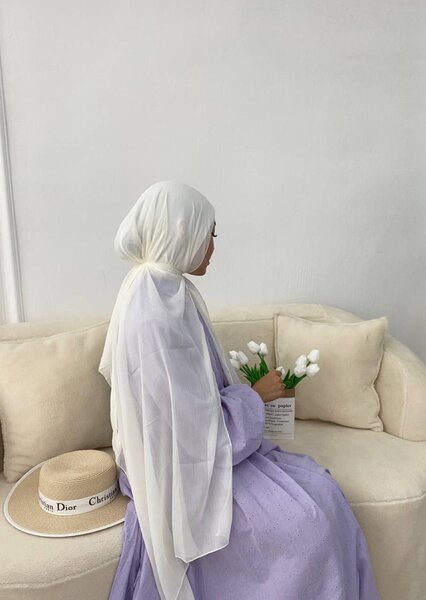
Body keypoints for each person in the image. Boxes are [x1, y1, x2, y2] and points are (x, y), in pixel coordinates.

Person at [98, 181, 380, 600]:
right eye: (207, 234)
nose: (212, 246)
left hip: (206, 454)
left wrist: (244, 401)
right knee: (309, 526)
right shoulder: (152, 313)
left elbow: (191, 405)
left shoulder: (170, 293)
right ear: (181, 232)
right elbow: (184, 430)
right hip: (181, 469)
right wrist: (255, 397)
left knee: (321, 489)